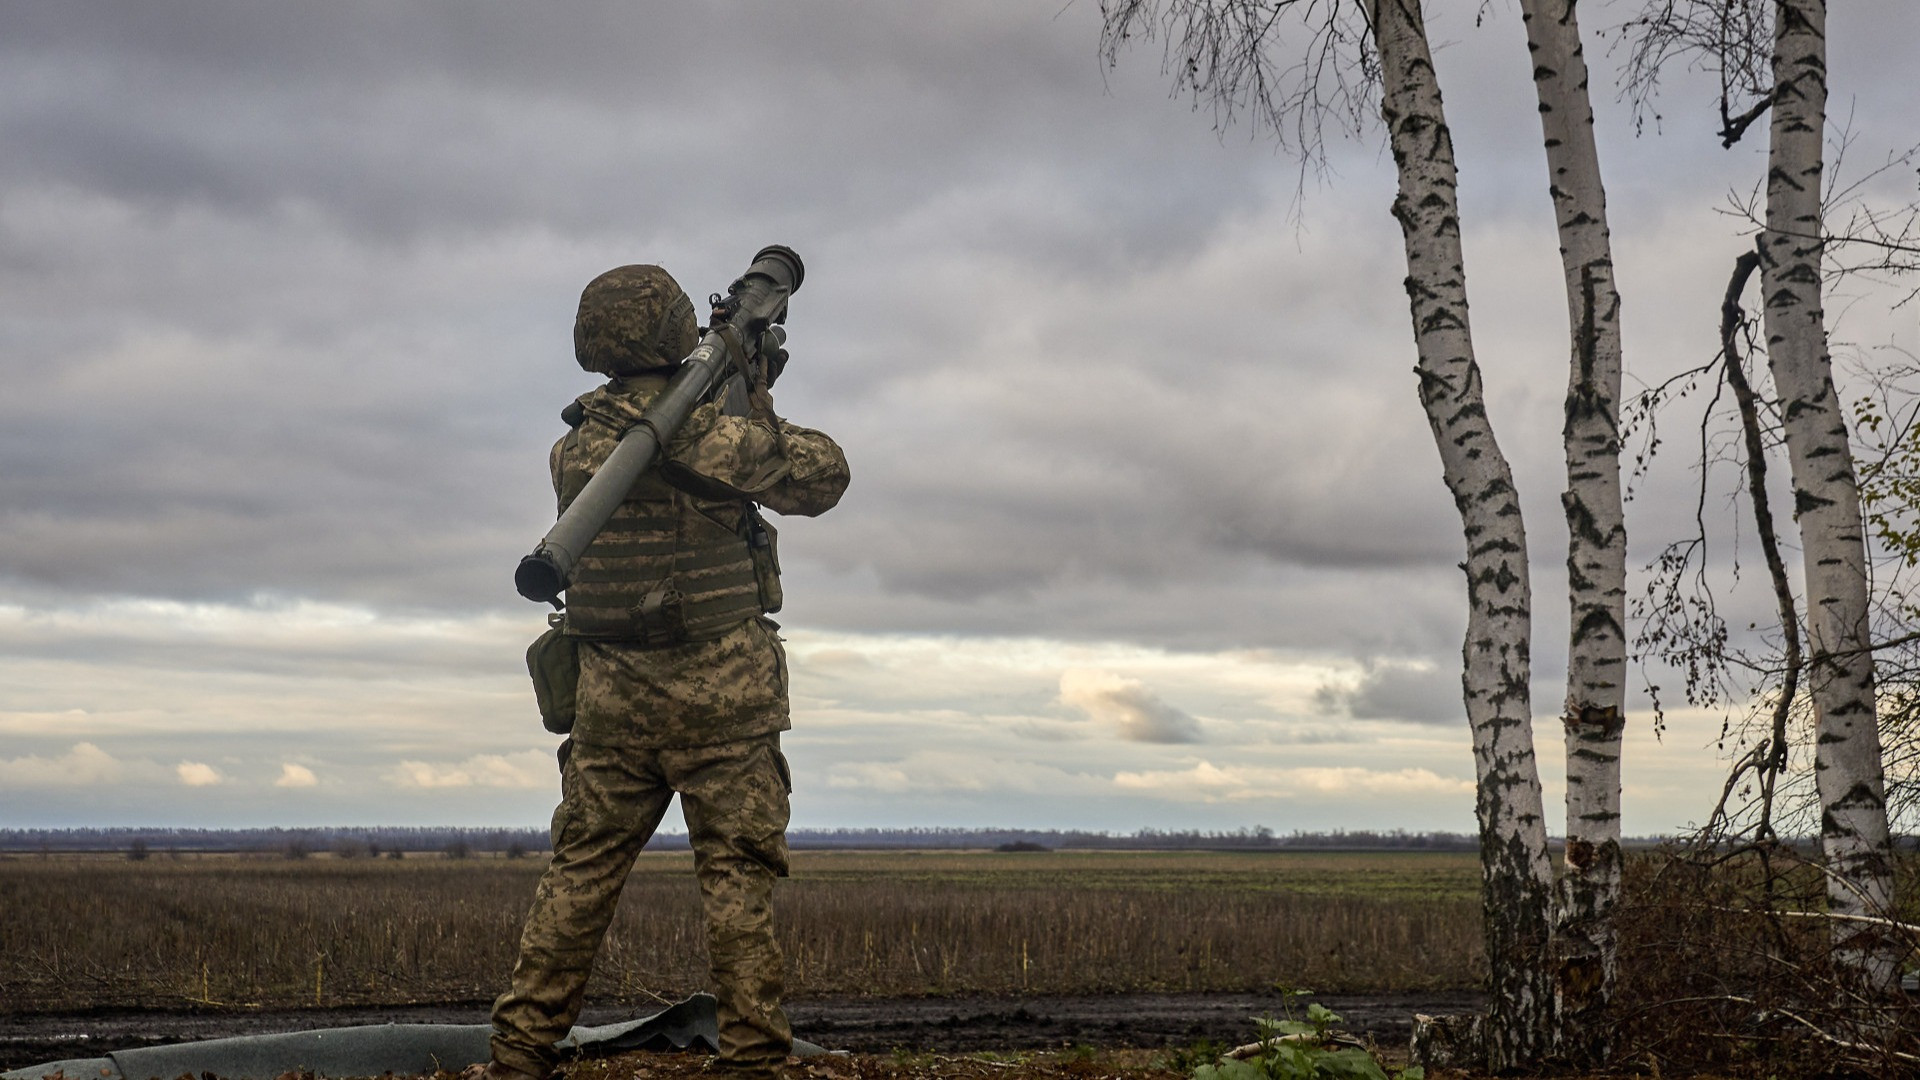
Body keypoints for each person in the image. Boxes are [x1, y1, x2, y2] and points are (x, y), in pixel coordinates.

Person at [480, 264, 850, 1080]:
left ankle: (518, 1053)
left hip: (612, 709)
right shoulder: (709, 436)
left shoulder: (574, 446)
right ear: (674, 328)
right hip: (725, 708)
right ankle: (753, 1055)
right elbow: (824, 476)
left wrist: (736, 383)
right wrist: (756, 401)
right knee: (736, 879)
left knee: (579, 876)